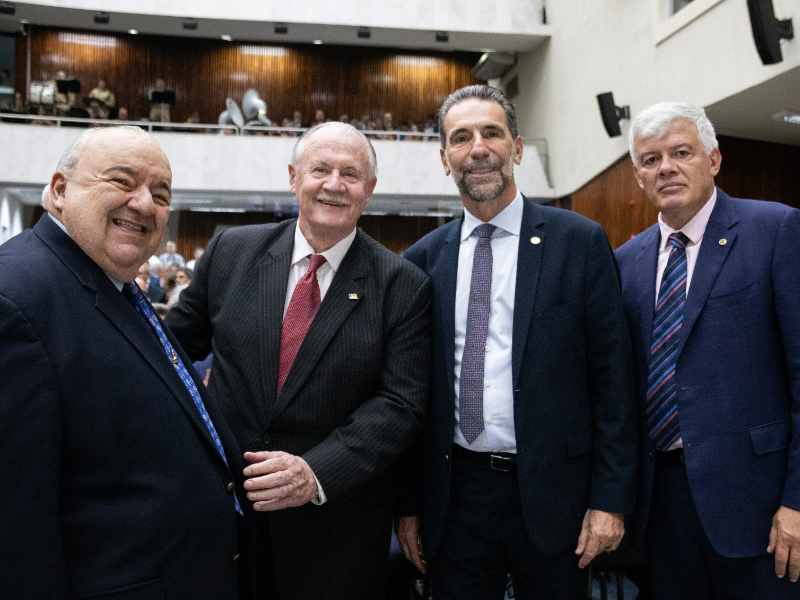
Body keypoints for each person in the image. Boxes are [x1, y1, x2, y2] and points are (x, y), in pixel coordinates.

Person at [166, 120, 432, 600]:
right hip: (227, 516)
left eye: (350, 174)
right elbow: (172, 352)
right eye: (320, 169)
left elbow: (400, 403)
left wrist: (315, 473)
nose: (334, 184)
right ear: (293, 177)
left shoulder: (403, 285)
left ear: (369, 190)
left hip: (334, 533)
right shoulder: (231, 251)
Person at [395, 85, 638, 600]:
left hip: (557, 496)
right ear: (444, 159)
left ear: (518, 148)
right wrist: (410, 505)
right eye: (460, 138)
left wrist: (609, 499)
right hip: (456, 498)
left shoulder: (581, 243)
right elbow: (411, 397)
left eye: (491, 133)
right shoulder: (421, 261)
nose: (477, 148)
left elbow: (614, 380)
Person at [0, 126, 251, 599]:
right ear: (59, 190)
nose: (144, 204)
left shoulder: (110, 286)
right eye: (121, 181)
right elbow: (14, 522)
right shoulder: (17, 298)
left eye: (160, 193)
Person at [615, 102, 800, 599]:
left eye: (681, 152)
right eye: (651, 160)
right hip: (660, 507)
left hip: (759, 504)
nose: (667, 168)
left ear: (713, 160)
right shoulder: (624, 262)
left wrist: (797, 502)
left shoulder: (776, 230)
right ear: (638, 176)